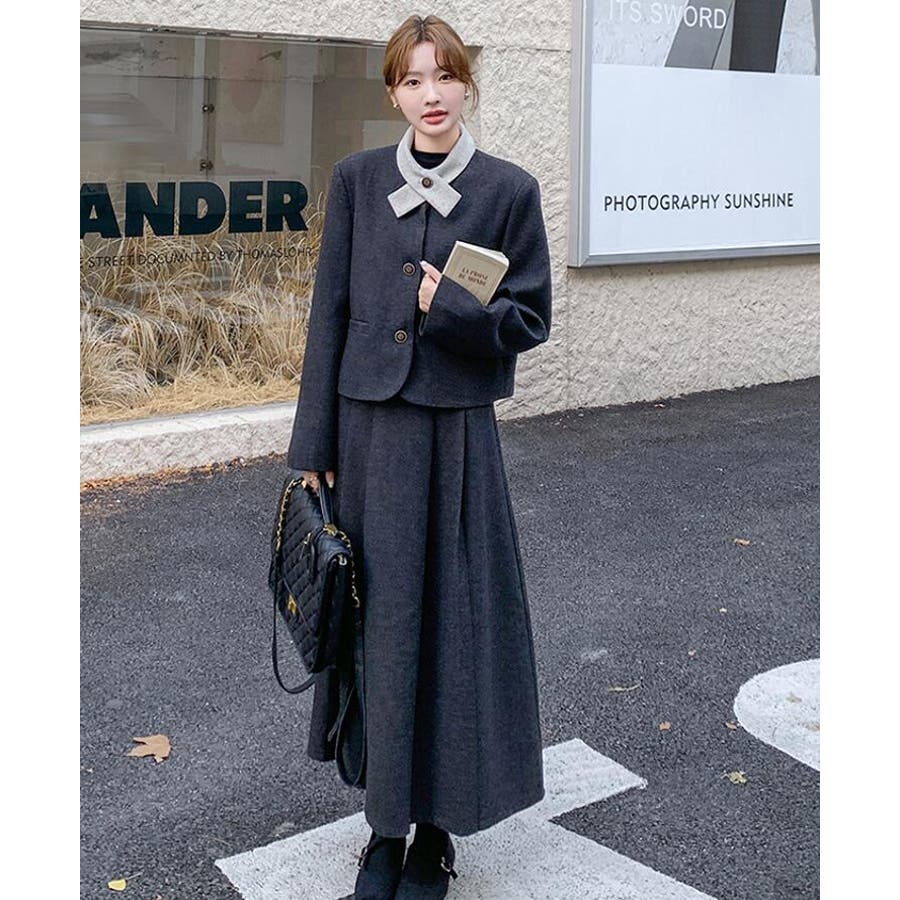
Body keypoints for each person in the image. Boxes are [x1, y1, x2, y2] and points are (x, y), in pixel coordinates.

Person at [285, 13, 552, 899]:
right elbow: (328, 314)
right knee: (380, 629)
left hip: (455, 439)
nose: (430, 95)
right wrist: (312, 444)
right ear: (394, 93)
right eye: (412, 80)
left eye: (444, 76)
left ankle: (436, 832)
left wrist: (454, 309)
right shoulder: (358, 181)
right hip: (367, 439)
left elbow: (529, 320)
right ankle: (383, 830)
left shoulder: (508, 190)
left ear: (467, 83)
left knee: (450, 628)